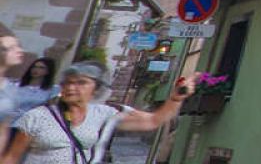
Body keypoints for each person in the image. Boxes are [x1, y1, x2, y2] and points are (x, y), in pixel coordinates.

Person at [2, 62, 188, 164]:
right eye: (68, 82)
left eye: (81, 82)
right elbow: (12, 157)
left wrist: (175, 100)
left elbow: (153, 121)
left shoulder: (106, 114)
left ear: (96, 88)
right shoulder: (36, 117)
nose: (71, 88)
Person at [1, 57, 55, 146]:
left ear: (48, 71)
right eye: (34, 67)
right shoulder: (16, 85)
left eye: (41, 68)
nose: (36, 70)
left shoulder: (50, 91)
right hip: (6, 122)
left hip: (25, 127)